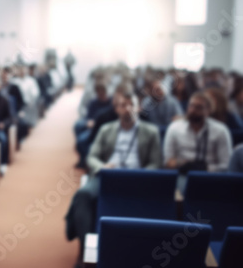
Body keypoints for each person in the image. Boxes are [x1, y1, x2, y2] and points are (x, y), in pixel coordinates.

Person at [66, 92, 162, 267]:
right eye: (123, 105)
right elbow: (91, 156)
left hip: (139, 179)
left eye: (131, 104)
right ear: (116, 109)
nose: (127, 109)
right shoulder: (106, 129)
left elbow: (156, 163)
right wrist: (102, 167)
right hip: (108, 177)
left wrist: (142, 174)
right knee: (82, 195)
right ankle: (85, 249)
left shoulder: (151, 131)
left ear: (138, 108)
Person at [164, 92, 232, 191]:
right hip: (183, 174)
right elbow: (167, 162)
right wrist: (184, 164)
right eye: (191, 106)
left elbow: (226, 165)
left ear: (209, 110)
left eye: (198, 107)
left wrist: (206, 168)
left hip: (212, 176)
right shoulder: (174, 128)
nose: (192, 110)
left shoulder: (221, 130)